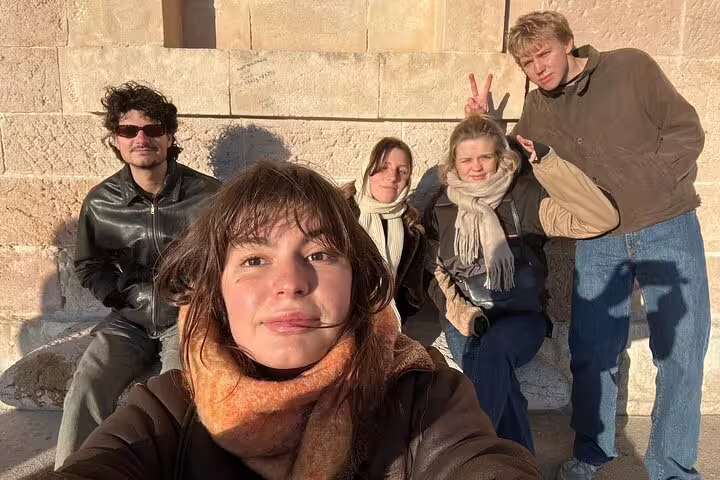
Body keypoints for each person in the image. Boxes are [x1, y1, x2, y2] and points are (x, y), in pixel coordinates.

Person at [45, 161, 544, 480]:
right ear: (215, 290)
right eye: (254, 260)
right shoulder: (168, 408)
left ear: (358, 283)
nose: (290, 282)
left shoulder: (423, 396)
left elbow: (477, 461)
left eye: (322, 253)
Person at [487, 10, 708, 480]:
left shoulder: (631, 66)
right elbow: (523, 173)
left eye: (543, 53)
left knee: (681, 350)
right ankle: (591, 452)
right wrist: (488, 125)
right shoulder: (536, 110)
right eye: (526, 63)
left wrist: (654, 184)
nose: (537, 68)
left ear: (568, 43)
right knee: (591, 353)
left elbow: (686, 129)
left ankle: (671, 468)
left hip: (668, 223)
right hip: (598, 241)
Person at [425, 114, 618, 454]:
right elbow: (434, 272)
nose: (476, 167)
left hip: (521, 318)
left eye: (485, 157)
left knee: (494, 353)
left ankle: (468, 458)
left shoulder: (523, 197)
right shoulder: (442, 204)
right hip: (465, 318)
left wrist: (550, 164)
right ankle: (519, 468)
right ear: (453, 162)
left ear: (501, 157)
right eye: (466, 159)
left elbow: (600, 218)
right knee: (501, 384)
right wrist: (458, 313)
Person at [55, 82, 221, 468]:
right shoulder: (101, 201)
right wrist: (119, 296)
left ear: (169, 136)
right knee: (85, 386)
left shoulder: (209, 195)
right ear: (116, 139)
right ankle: (73, 473)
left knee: (176, 390)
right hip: (127, 318)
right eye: (129, 131)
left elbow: (231, 256)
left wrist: (202, 294)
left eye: (152, 129)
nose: (141, 138)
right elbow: (88, 264)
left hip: (186, 316)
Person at [342, 137, 427, 323]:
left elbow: (412, 295)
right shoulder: (337, 215)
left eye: (402, 171)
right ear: (367, 170)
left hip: (385, 329)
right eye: (383, 167)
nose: (392, 177)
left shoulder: (412, 232)